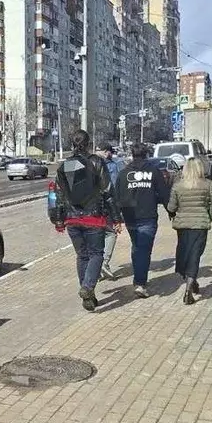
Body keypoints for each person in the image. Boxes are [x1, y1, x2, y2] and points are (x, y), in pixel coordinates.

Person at [53, 129, 118, 311]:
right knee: (96, 254)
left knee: (82, 256)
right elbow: (107, 191)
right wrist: (117, 217)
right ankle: (87, 288)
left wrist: (59, 219)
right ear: (88, 143)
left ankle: (87, 296)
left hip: (72, 219)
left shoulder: (64, 165)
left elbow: (58, 195)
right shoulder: (96, 162)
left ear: (72, 143)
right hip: (93, 217)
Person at [115, 144, 170, 298]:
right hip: (147, 216)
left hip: (130, 217)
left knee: (137, 247)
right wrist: (171, 210)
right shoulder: (154, 171)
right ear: (146, 154)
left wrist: (117, 217)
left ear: (132, 155)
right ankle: (140, 283)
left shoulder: (124, 173)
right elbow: (164, 193)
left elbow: (117, 195)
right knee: (143, 251)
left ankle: (138, 279)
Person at [167, 157, 212, 305]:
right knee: (195, 254)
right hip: (200, 225)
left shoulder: (178, 186)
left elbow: (171, 206)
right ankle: (189, 287)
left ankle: (190, 280)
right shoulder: (208, 184)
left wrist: (174, 213)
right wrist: (209, 216)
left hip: (183, 226)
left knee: (184, 253)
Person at [96, 142, 125, 280]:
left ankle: (96, 265)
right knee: (111, 232)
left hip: (88, 208)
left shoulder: (87, 163)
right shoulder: (112, 165)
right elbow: (113, 187)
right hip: (106, 205)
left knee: (97, 234)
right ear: (106, 152)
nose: (110, 155)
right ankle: (103, 263)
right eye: (108, 152)